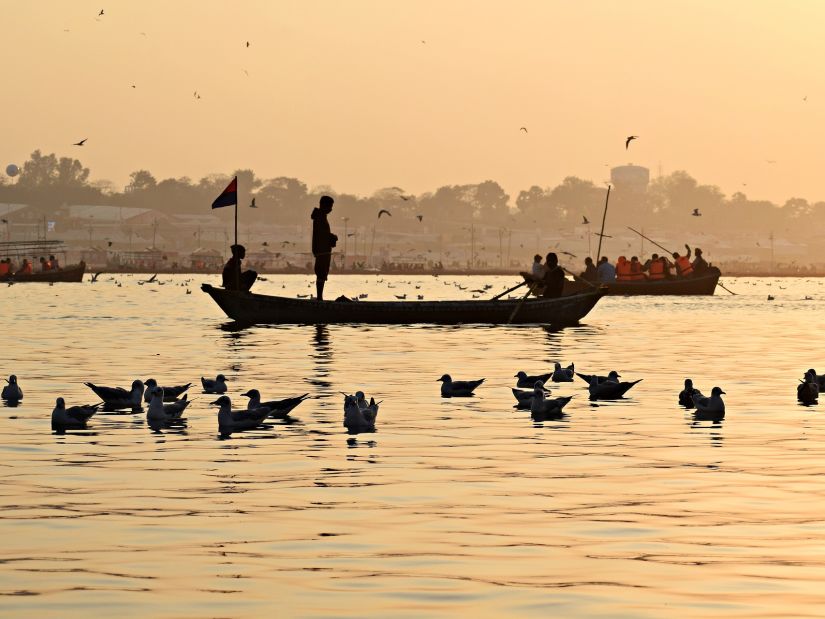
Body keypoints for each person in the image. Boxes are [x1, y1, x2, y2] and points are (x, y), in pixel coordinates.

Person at [311, 195, 338, 301]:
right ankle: (319, 298)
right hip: (322, 251)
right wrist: (333, 237)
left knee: (321, 274)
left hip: (323, 251)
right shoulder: (320, 217)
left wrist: (331, 236)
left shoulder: (320, 216)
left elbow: (323, 234)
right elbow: (322, 235)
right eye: (330, 206)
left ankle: (319, 297)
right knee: (321, 274)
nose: (331, 209)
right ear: (323, 205)